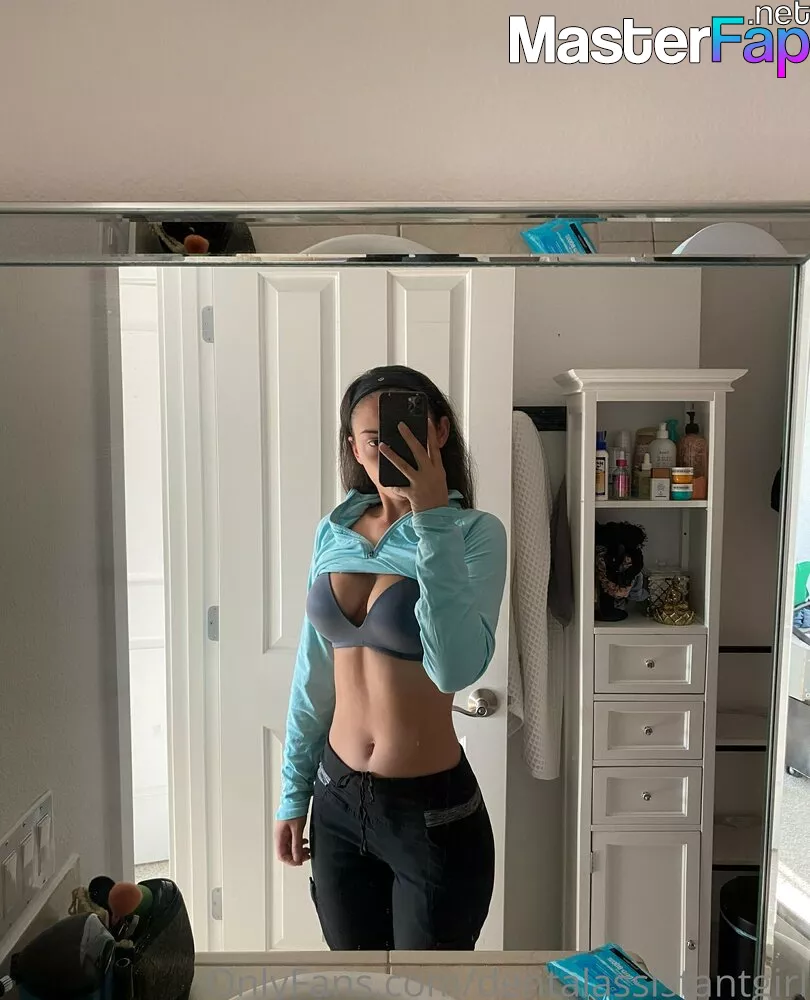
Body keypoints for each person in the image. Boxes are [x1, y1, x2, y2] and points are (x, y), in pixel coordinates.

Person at [274, 364, 508, 951]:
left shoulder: (474, 533)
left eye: (406, 433)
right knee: (354, 985)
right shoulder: (334, 531)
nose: (389, 449)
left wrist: (431, 521)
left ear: (439, 432)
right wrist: (294, 793)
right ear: (354, 448)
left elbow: (454, 669)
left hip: (430, 815)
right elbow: (314, 675)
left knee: (422, 990)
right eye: (373, 438)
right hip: (334, 800)